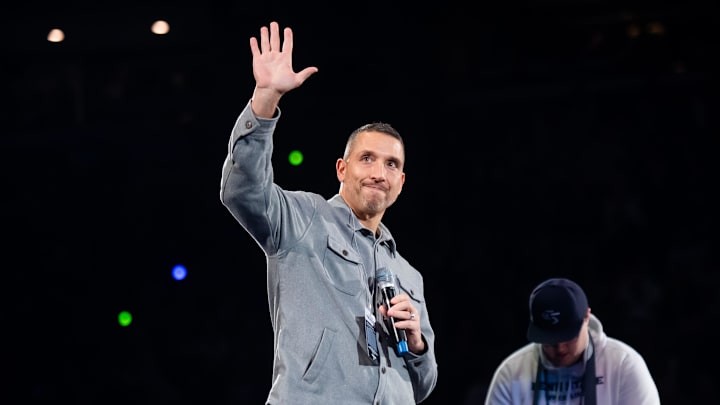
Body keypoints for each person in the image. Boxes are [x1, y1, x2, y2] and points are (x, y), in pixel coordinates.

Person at [219, 21, 438, 404]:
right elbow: (242, 191)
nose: (377, 173)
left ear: (401, 181)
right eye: (367, 158)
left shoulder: (408, 276)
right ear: (341, 169)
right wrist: (266, 97)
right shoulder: (303, 219)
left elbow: (424, 385)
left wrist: (418, 346)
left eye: (390, 165)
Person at [484, 277, 660, 405]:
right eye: (550, 340)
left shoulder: (624, 365)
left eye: (569, 337)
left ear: (586, 317)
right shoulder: (511, 372)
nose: (560, 348)